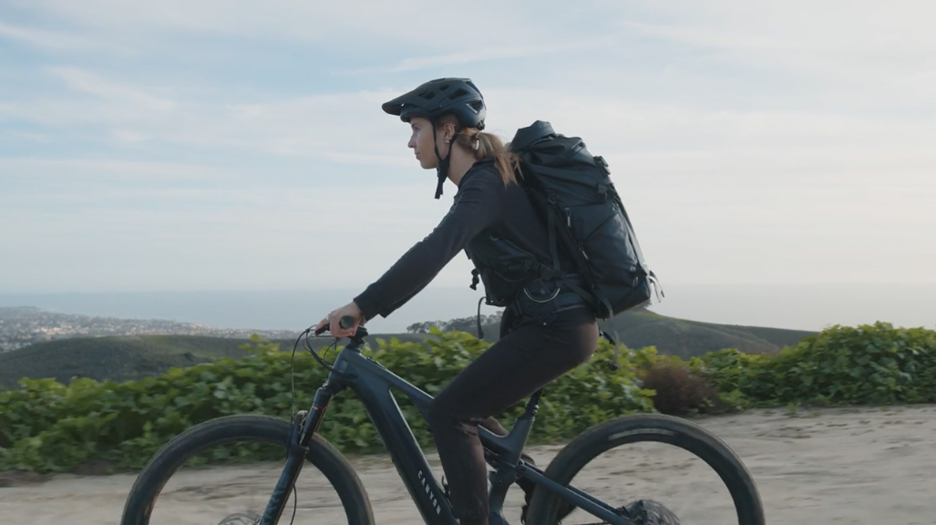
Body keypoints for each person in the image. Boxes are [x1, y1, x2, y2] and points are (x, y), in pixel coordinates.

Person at [315, 77, 598, 525]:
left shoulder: (486, 183)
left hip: (557, 327)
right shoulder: (485, 181)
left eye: (416, 129)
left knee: (451, 413)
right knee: (462, 409)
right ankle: (543, 495)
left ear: (448, 131)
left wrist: (362, 306)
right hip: (548, 322)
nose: (410, 142)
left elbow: (436, 249)